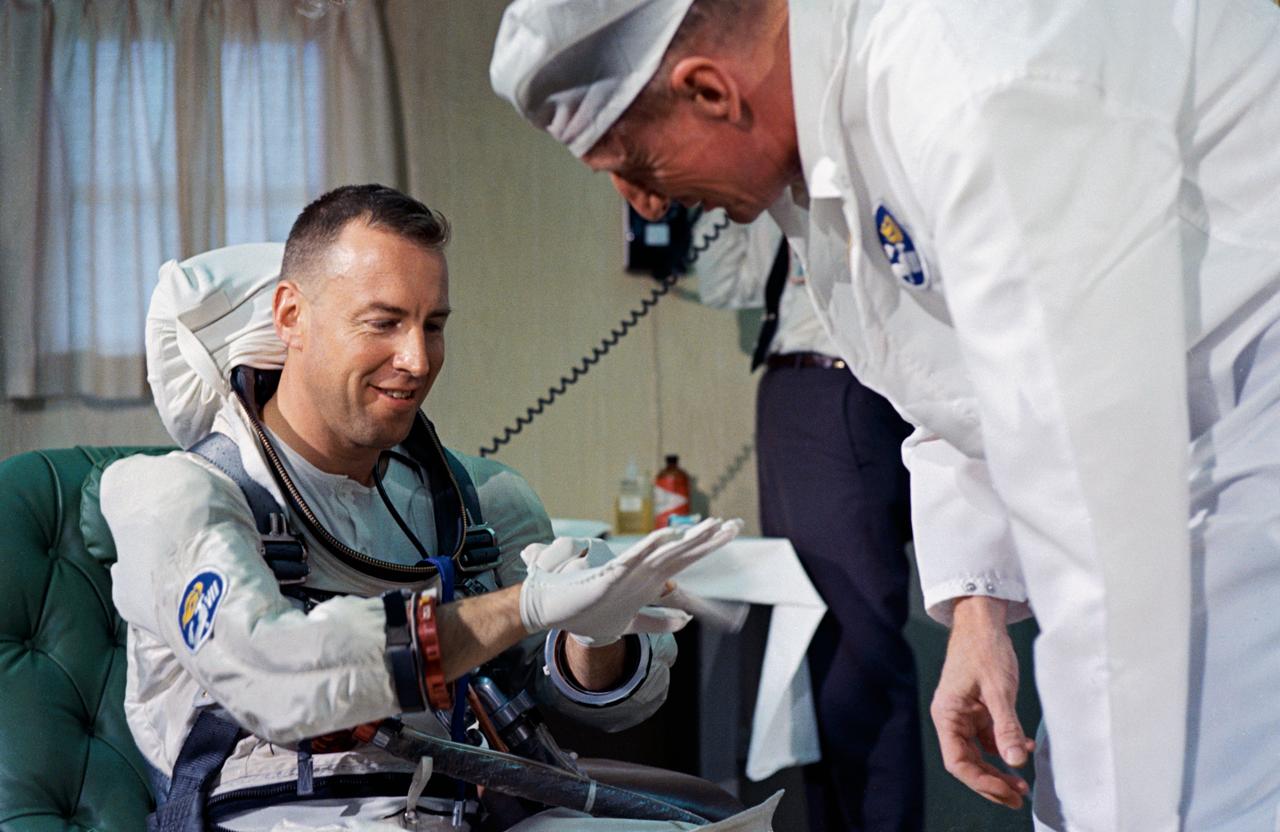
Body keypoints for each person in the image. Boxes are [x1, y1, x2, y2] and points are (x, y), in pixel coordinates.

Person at [489, 1, 1280, 829]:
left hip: (1231, 445)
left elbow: (1093, 480)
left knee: (1179, 797)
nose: (643, 205)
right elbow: (953, 383)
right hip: (1170, 461)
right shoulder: (827, 148)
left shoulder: (962, 77)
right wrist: (977, 611)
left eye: (632, 162)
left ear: (710, 91)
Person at [100, 183, 752, 831]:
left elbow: (592, 703)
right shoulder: (179, 497)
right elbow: (278, 678)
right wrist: (520, 607)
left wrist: (595, 634)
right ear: (291, 316)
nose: (416, 360)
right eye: (384, 322)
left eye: (432, 325)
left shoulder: (475, 503)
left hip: (467, 809)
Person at [694, 210, 921, 830]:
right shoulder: (761, 188)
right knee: (812, 649)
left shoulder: (835, 155)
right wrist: (716, 194)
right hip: (788, 393)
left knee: (859, 653)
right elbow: (724, 284)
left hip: (841, 384)